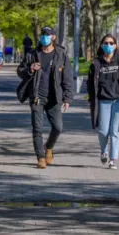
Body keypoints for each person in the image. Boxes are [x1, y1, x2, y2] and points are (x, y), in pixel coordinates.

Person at [17, 27, 73, 169]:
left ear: (53, 37)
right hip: (37, 96)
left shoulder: (61, 55)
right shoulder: (32, 54)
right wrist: (30, 69)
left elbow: (67, 79)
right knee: (37, 128)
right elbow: (20, 71)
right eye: (43, 35)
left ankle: (48, 147)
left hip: (54, 98)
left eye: (47, 35)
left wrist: (67, 99)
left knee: (58, 127)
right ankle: (40, 157)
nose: (44, 37)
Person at [88, 34, 119, 170]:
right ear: (102, 45)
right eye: (106, 43)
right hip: (103, 101)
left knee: (115, 131)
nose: (108, 46)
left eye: (111, 43)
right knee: (102, 131)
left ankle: (113, 159)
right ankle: (104, 152)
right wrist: (92, 98)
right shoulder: (96, 64)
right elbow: (90, 83)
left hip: (118, 101)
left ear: (115, 45)